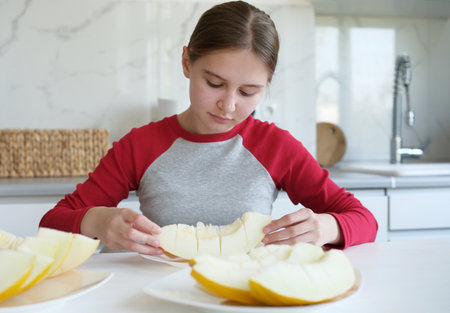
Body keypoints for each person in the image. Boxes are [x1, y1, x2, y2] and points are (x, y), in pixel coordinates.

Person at [39, 0, 377, 255]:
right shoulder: (140, 145)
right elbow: (52, 222)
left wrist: (327, 227)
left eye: (248, 92)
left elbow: (364, 220)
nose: (228, 106)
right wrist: (95, 222)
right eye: (214, 83)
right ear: (187, 62)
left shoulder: (276, 146)